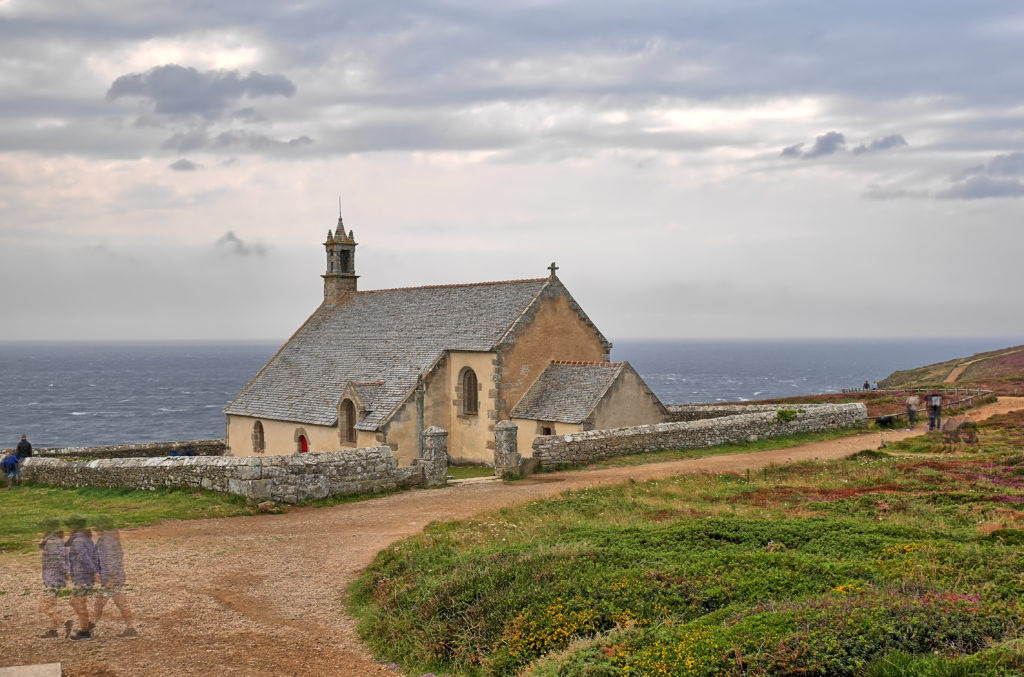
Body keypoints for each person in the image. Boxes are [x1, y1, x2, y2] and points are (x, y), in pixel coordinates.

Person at [92, 515, 136, 637]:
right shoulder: (109, 540)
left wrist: (109, 579)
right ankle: (130, 627)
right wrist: (97, 572)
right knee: (116, 602)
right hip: (113, 578)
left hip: (110, 579)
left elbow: (111, 562)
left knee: (101, 603)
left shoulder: (106, 542)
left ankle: (88, 629)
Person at [65, 514, 100, 640]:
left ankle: (85, 630)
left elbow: (84, 559)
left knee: (78, 602)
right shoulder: (87, 539)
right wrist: (96, 571)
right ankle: (87, 625)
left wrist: (93, 573)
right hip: (85, 577)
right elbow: (95, 557)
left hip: (82, 577)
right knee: (75, 601)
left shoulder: (77, 541)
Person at [38, 517, 72, 638]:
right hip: (57, 579)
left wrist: (65, 572)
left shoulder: (52, 543)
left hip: (53, 579)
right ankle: (53, 630)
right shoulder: (58, 542)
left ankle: (65, 621)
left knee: (45, 606)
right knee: (52, 604)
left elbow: (59, 561)